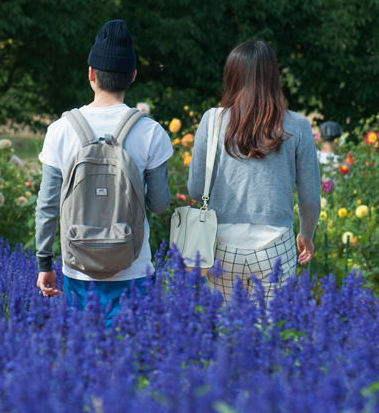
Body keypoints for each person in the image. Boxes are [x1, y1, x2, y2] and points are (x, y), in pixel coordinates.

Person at [35, 19, 173, 324]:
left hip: (78, 269)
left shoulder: (61, 130)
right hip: (134, 267)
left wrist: (45, 262)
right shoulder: (151, 132)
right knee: (133, 356)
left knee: (85, 356)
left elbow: (47, 204)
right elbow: (160, 204)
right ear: (133, 76)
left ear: (91, 74)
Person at [187, 40, 320, 302]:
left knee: (225, 332)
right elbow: (310, 198)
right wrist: (306, 234)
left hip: (221, 244)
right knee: (272, 337)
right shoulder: (298, 125)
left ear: (232, 75)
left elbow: (194, 188)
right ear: (273, 77)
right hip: (276, 245)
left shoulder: (212, 120)